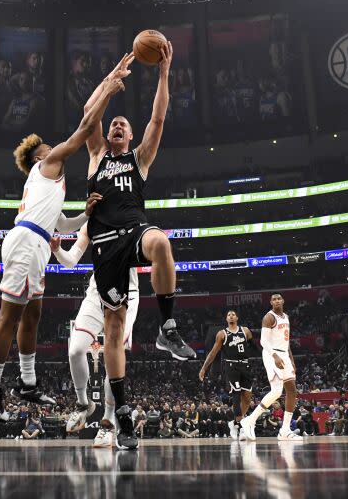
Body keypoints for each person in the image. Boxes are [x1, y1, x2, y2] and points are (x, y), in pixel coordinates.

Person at [0, 63, 129, 423]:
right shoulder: (47, 166)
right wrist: (108, 90)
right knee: (9, 316)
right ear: (40, 156)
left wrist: (86, 214)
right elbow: (87, 128)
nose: (52, 146)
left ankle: (27, 382)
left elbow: (63, 224)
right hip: (27, 242)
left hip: (38, 243)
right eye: (46, 146)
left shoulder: (48, 187)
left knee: (34, 313)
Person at [84, 42, 196, 450]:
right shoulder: (96, 154)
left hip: (133, 231)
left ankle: (167, 326)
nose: (116, 125)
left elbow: (158, 117)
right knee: (113, 332)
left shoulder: (138, 158)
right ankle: (124, 413)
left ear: (130, 136)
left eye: (122, 125)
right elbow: (87, 116)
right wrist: (110, 85)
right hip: (103, 246)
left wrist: (164, 74)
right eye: (113, 123)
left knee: (161, 243)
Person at [50, 223, 139, 438]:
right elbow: (70, 261)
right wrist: (56, 250)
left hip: (126, 294)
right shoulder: (91, 225)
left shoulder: (131, 220)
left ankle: (108, 419)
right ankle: (83, 404)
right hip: (96, 293)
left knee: (112, 358)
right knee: (75, 350)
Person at [241, 294, 301, 441]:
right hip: (271, 354)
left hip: (284, 355)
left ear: (283, 300)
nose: (276, 301)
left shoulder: (286, 316)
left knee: (292, 391)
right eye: (273, 299)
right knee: (276, 391)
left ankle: (285, 430)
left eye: (279, 298)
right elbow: (263, 341)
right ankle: (250, 420)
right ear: (270, 302)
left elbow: (286, 342)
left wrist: (291, 360)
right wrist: (275, 357)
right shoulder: (269, 317)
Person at [198, 310, 255, 441]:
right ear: (226, 318)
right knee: (236, 395)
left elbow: (254, 347)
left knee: (247, 398)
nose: (231, 316)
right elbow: (213, 352)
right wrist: (204, 368)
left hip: (245, 365)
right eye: (229, 314)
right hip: (231, 366)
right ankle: (241, 427)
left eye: (233, 314)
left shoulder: (245, 331)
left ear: (237, 317)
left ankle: (234, 423)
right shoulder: (222, 334)